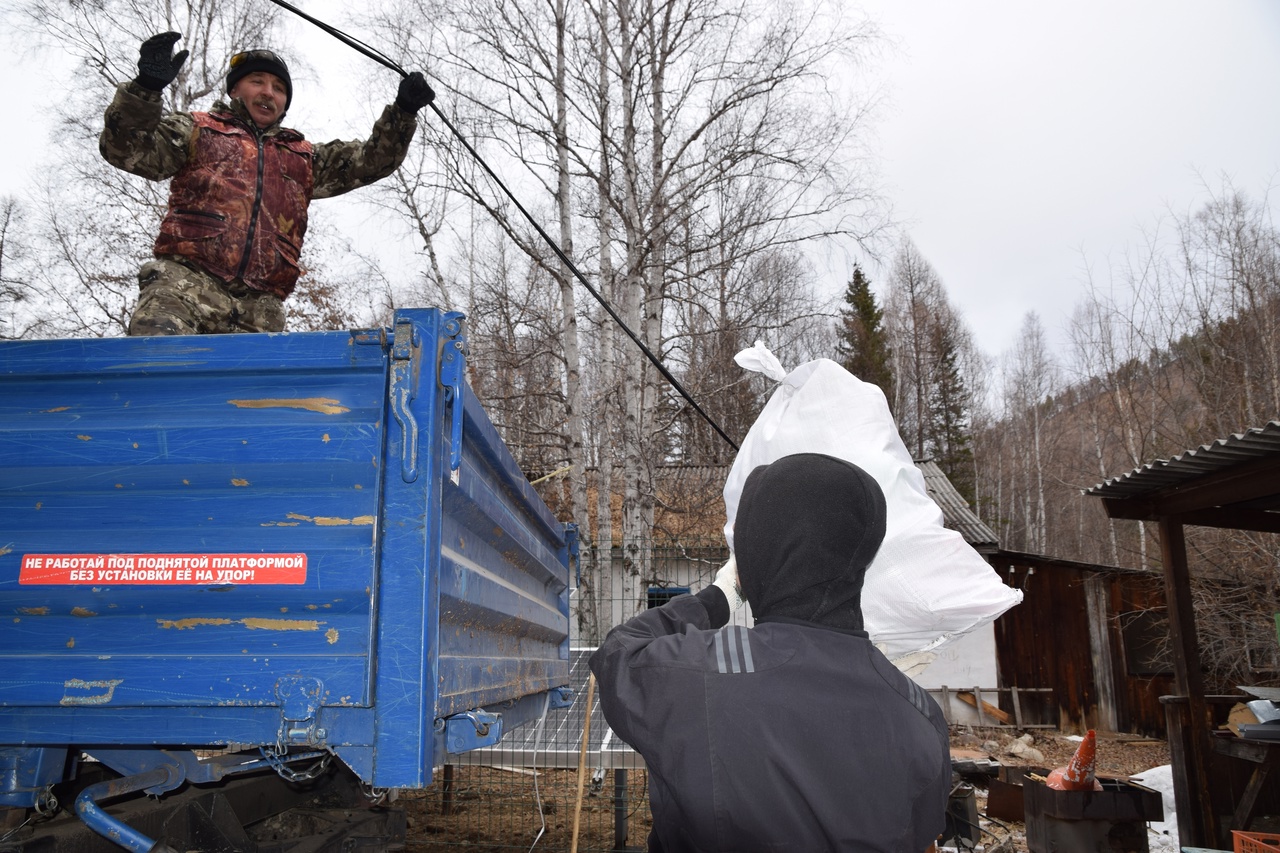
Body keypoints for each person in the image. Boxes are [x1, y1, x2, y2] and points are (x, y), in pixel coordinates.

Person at [589, 452, 951, 852]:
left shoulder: (699, 675)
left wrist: (718, 598)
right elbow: (922, 834)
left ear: (759, 555)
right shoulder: (924, 714)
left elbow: (618, 652)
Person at [100, 32, 436, 335]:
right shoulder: (197, 129)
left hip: (258, 310)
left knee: (253, 401)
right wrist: (145, 88)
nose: (267, 93)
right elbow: (126, 150)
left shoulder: (303, 158)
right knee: (160, 370)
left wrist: (403, 111)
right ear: (235, 89)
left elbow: (372, 160)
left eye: (278, 88)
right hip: (184, 287)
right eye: (257, 82)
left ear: (285, 102)